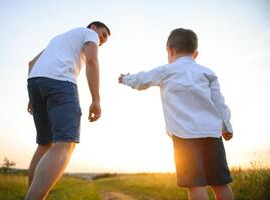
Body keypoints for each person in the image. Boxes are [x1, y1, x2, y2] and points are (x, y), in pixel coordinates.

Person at [118, 28, 234, 200]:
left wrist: (125, 79)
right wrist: (227, 126)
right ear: (196, 54)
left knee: (195, 184)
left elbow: (141, 80)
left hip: (184, 135)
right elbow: (219, 102)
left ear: (170, 50)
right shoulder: (208, 73)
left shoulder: (165, 71)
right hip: (212, 133)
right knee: (220, 182)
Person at [25, 21, 110, 200]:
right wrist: (96, 99)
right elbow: (92, 61)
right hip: (61, 83)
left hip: (35, 83)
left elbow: (32, 63)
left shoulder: (58, 40)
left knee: (45, 144)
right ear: (93, 28)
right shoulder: (89, 34)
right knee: (66, 143)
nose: (101, 41)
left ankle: (31, 194)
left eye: (104, 41)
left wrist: (33, 97)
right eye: (102, 35)